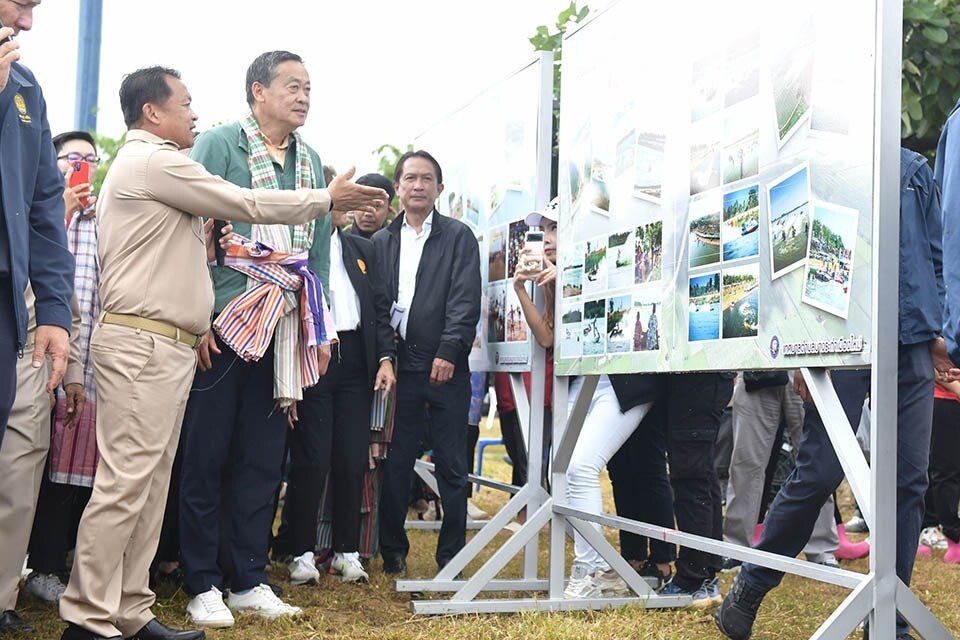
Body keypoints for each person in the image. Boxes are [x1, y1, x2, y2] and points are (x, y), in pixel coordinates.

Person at [57, 65, 386, 640]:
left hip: (165, 344)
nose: (195, 113)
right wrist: (323, 199)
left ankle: (131, 609)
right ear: (153, 113)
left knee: (149, 485)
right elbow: (242, 202)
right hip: (142, 343)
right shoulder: (154, 160)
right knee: (125, 486)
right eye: (184, 103)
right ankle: (87, 617)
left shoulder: (163, 162)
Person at [175, 50, 371, 627]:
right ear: (257, 91)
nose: (303, 95)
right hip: (227, 319)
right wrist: (200, 314)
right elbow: (194, 233)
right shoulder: (218, 144)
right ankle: (202, 581)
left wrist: (321, 324)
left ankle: (248, 578)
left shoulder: (312, 161)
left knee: (264, 458)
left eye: (309, 87)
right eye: (292, 85)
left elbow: (317, 253)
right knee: (207, 455)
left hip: (285, 326)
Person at [717, 148, 945, 640]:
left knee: (908, 481)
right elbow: (786, 262)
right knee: (818, 471)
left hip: (912, 342)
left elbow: (936, 255)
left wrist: (939, 330)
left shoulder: (914, 169)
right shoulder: (818, 164)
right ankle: (752, 585)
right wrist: (801, 349)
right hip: (841, 338)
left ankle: (888, 617)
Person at [272, 198, 396, 585]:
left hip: (357, 358)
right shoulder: (297, 249)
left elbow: (378, 307)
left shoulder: (362, 248)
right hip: (313, 355)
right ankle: (301, 552)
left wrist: (386, 357)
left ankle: (346, 550)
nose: (339, 210)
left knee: (352, 457)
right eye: (333, 201)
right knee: (312, 457)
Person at [374, 150, 481, 575]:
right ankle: (392, 550)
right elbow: (379, 307)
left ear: (439, 188)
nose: (418, 186)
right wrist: (385, 356)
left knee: (453, 464)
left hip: (446, 369)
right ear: (397, 186)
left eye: (427, 179)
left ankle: (451, 552)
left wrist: (448, 351)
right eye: (410, 178)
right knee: (397, 462)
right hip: (399, 369)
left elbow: (464, 299)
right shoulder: (382, 241)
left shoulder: (458, 237)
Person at [23, 131, 103, 605]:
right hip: (32, 354)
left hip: (85, 359)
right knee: (32, 465)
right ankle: (31, 562)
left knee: (74, 470)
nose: (81, 164)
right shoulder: (37, 211)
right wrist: (62, 209)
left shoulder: (104, 218)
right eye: (72, 157)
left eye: (90, 159)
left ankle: (53, 564)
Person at [0, 0, 73, 442]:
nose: (27, 22)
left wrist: (53, 311)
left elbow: (44, 203)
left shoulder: (26, 86)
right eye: (20, 5)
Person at [0, 287, 83, 634]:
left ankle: (2, 601)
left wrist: (74, 372)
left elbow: (63, 300)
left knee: (17, 491)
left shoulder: (39, 234)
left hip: (27, 360)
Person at [720, 371, 841, 572]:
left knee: (817, 462)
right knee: (745, 462)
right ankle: (736, 548)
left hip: (806, 362)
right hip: (757, 368)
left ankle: (822, 550)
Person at [348, 173, 395, 238]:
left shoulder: (398, 242)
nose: (368, 213)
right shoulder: (337, 242)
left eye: (376, 206)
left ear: (389, 209)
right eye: (362, 205)